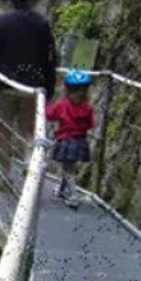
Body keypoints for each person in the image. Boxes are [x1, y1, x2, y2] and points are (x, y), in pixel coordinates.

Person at [0, 0, 58, 183]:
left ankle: (4, 174)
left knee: (3, 130)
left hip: (5, 86)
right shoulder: (42, 24)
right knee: (30, 132)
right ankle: (29, 171)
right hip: (33, 89)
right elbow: (51, 58)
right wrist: (48, 89)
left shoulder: (0, 22)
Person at [46, 69, 95, 207]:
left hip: (66, 140)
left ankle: (73, 195)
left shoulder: (63, 105)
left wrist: (45, 104)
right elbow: (90, 124)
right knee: (68, 166)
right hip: (80, 141)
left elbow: (50, 115)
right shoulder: (87, 108)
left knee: (68, 169)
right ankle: (62, 189)